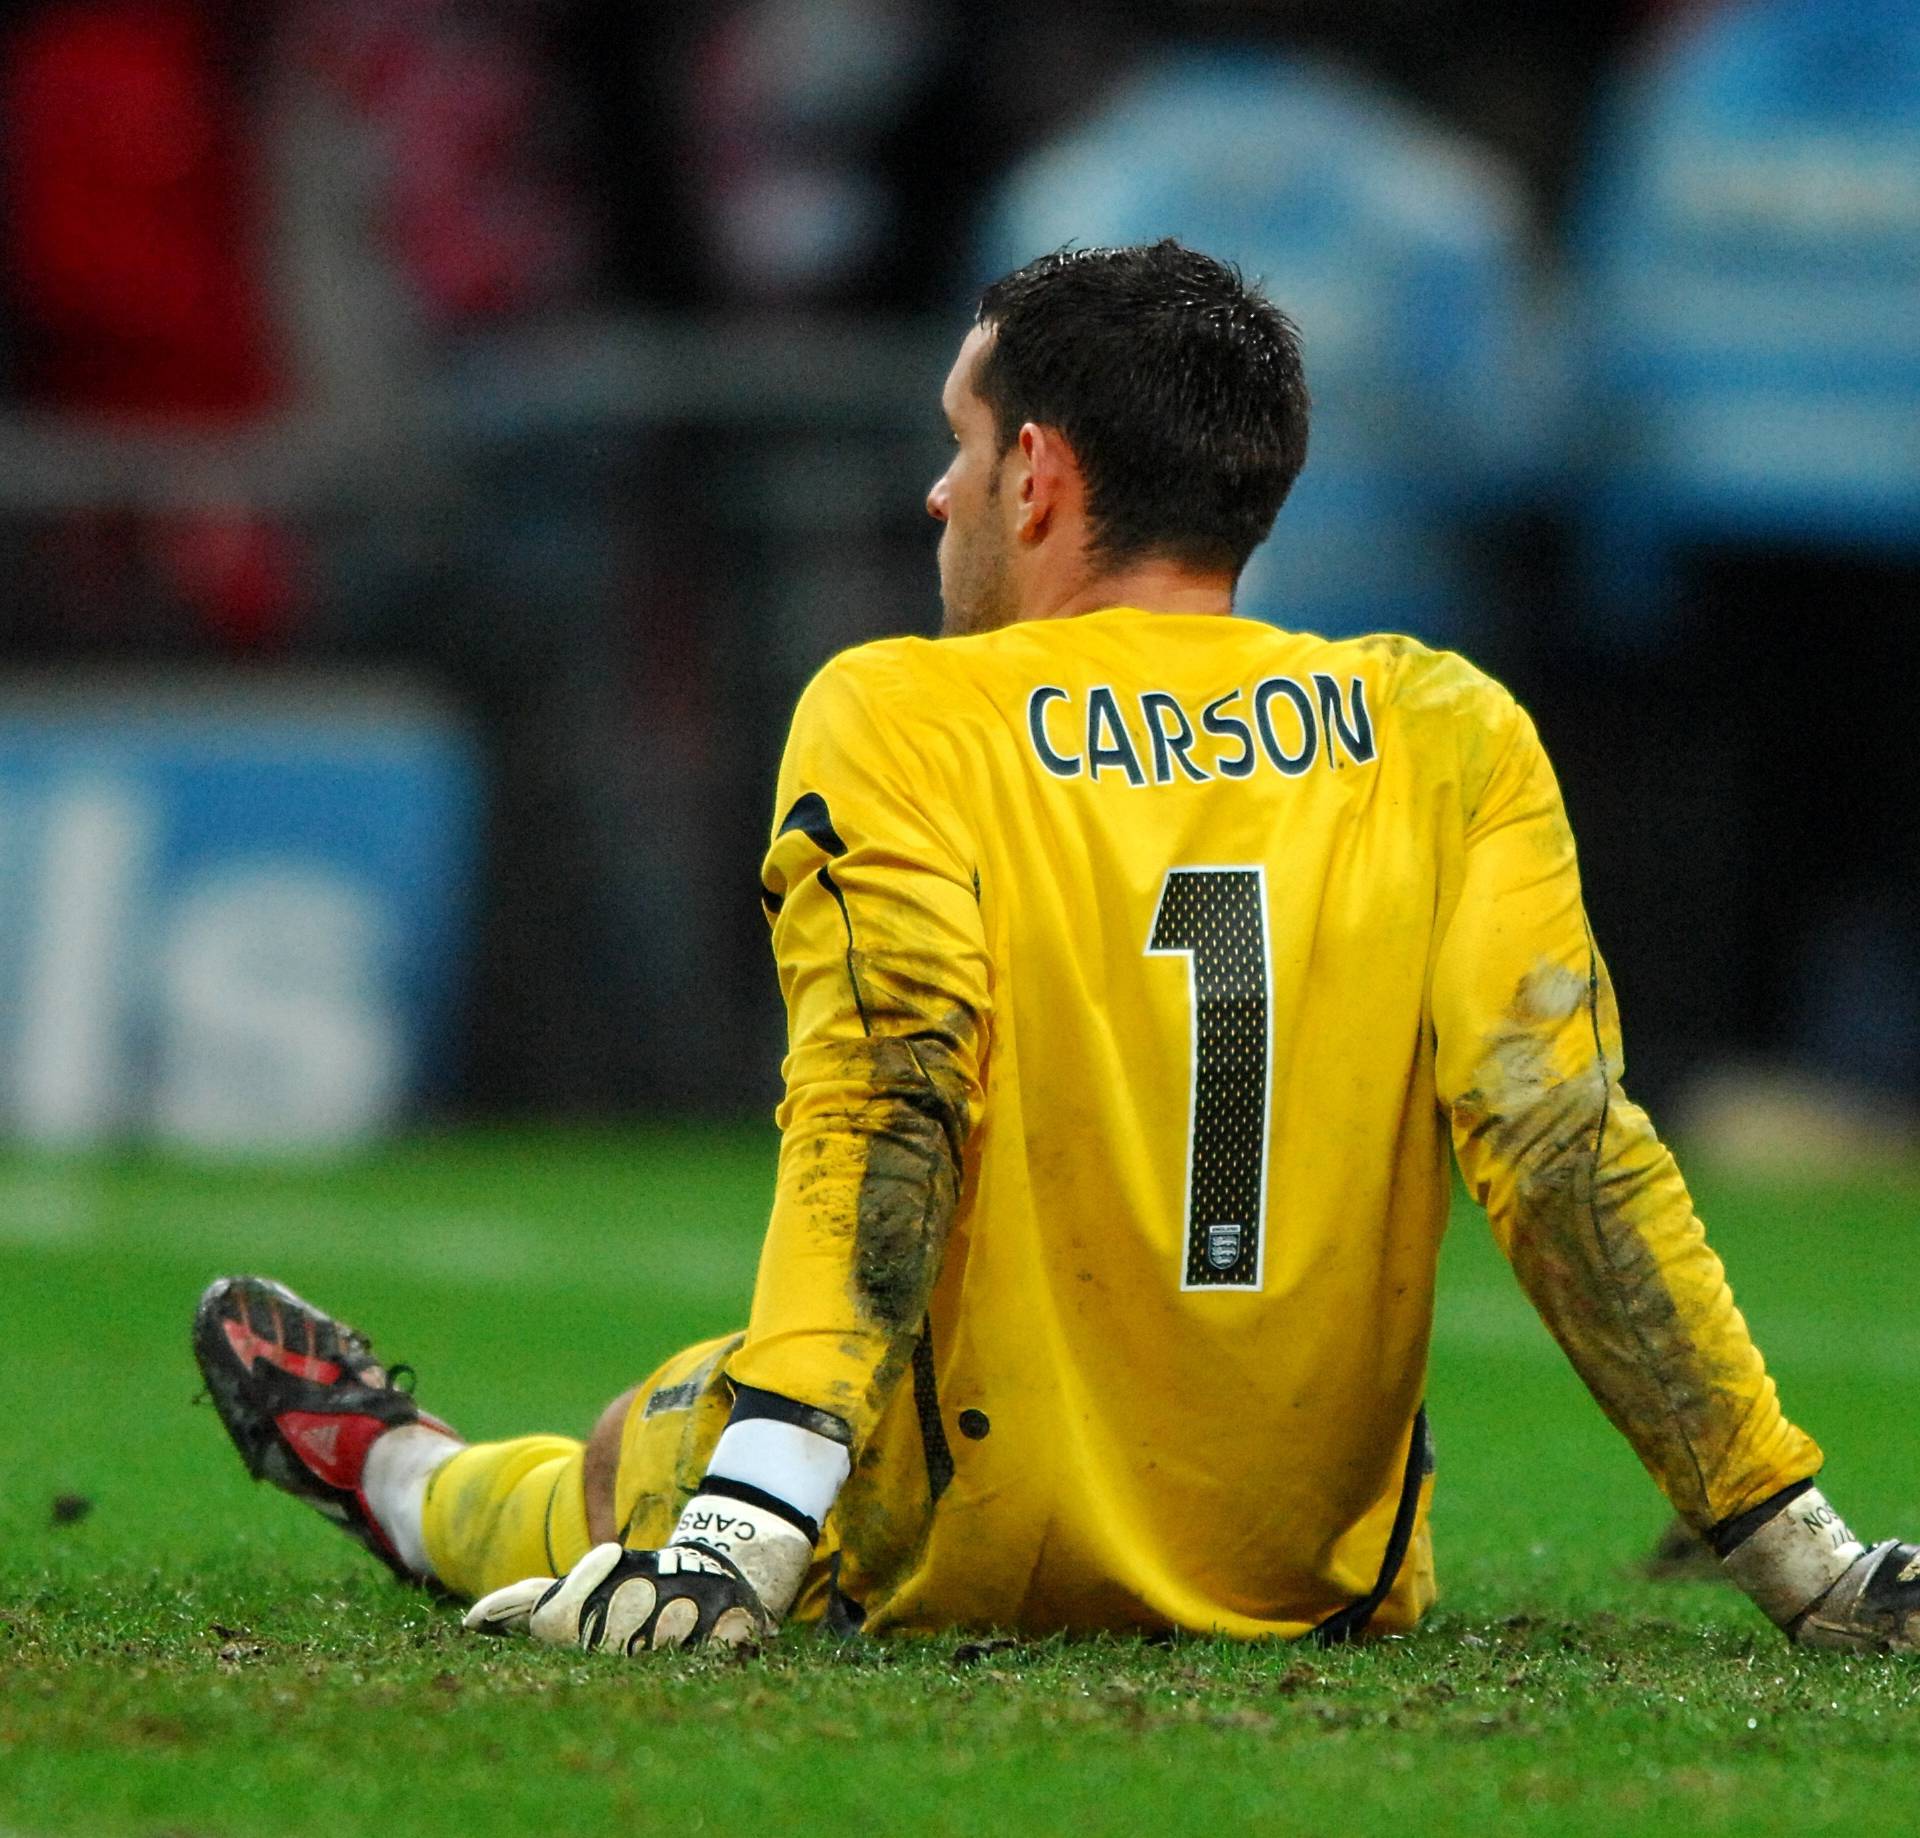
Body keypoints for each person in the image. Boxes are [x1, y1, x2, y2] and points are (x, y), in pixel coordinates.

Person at [194, 241, 1920, 1655]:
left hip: (959, 1534)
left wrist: (742, 1533)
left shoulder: (900, 709)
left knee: (658, 1430)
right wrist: (1804, 1553)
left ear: (1039, 473)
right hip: (1307, 1568)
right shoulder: (1446, 725)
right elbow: (1565, 1154)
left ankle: (398, 1471)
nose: (937, 491)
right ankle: (452, 1461)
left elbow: (889, 1097)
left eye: (959, 441)